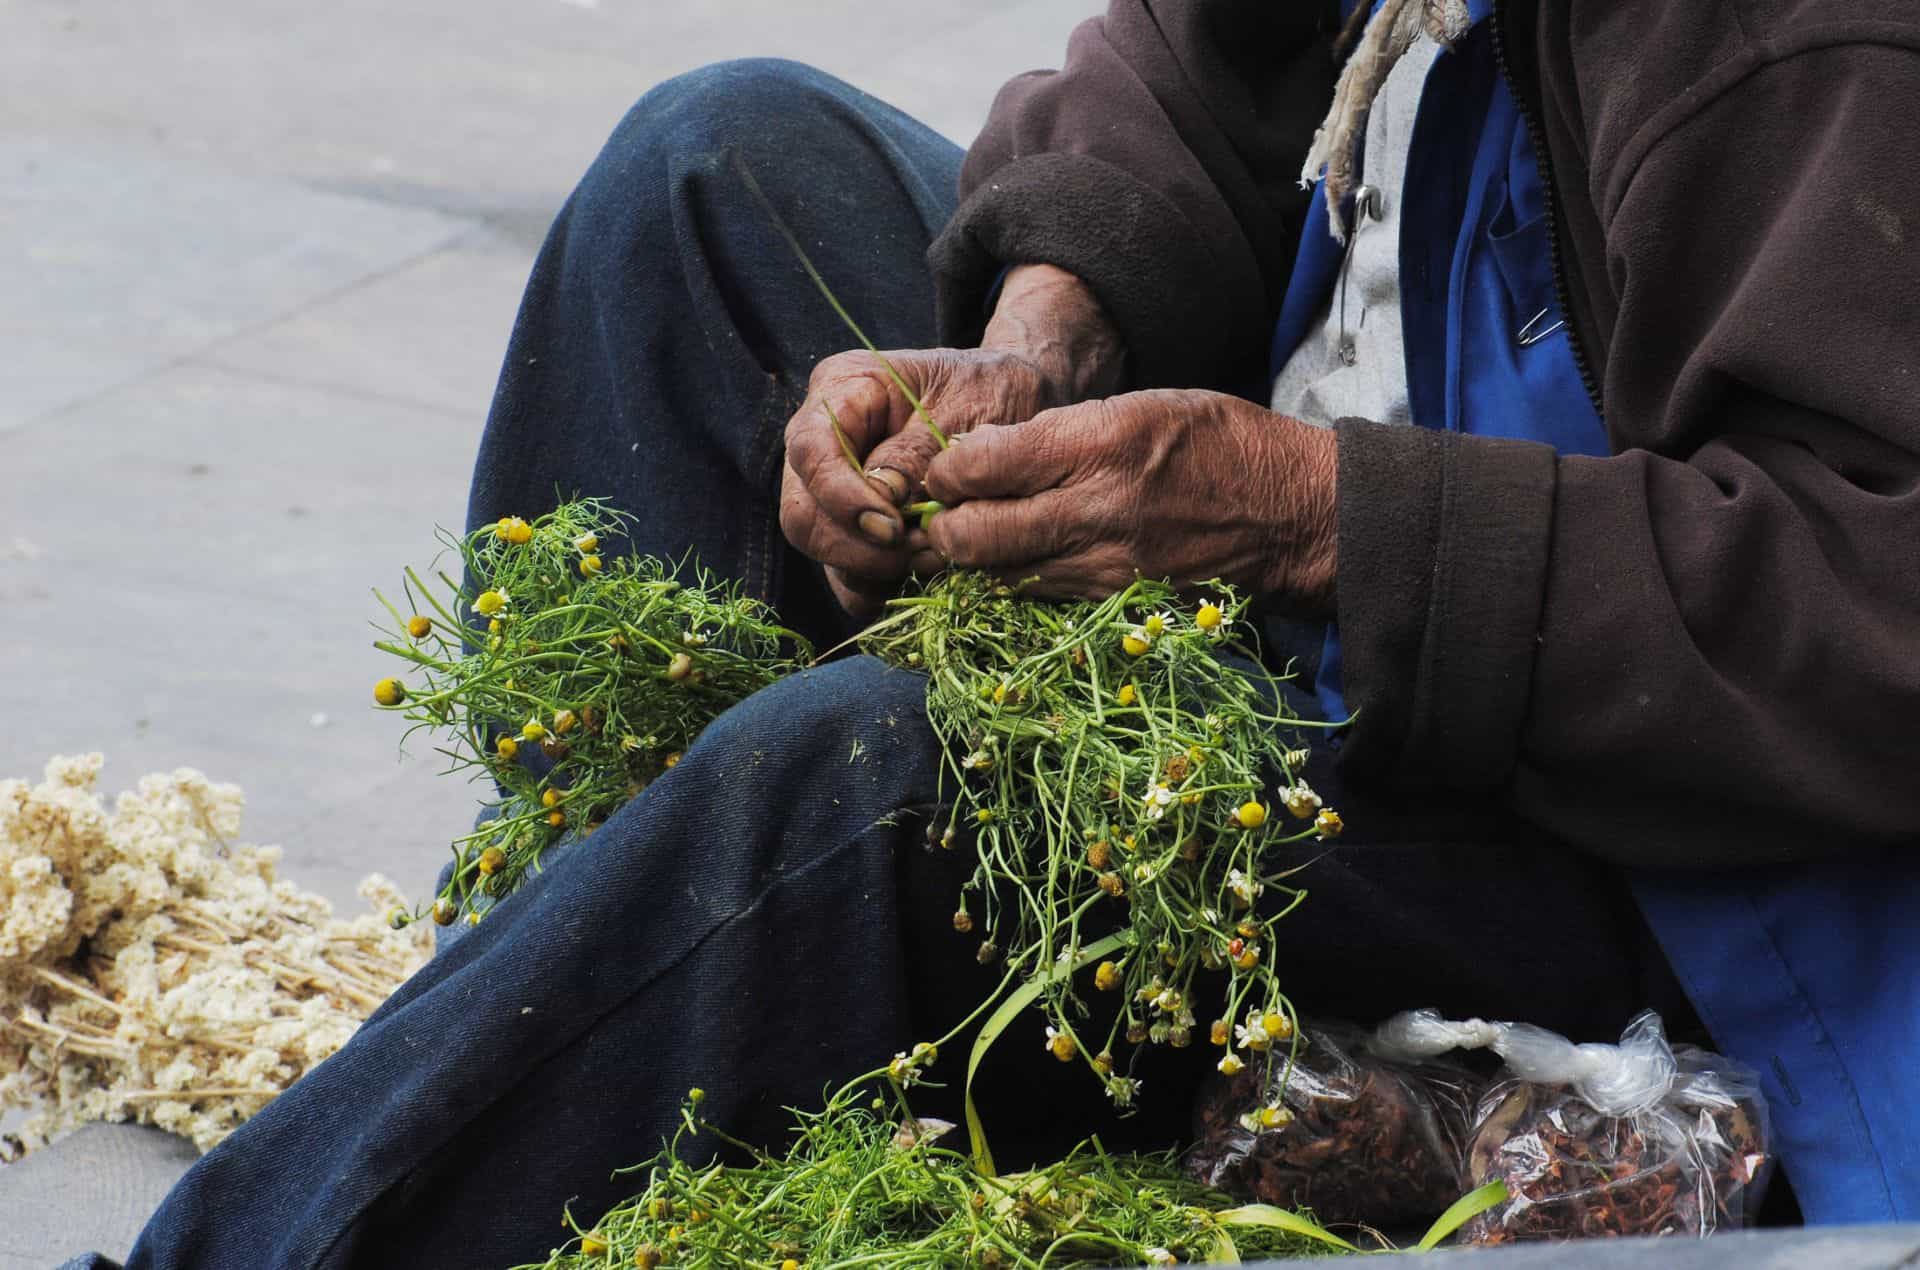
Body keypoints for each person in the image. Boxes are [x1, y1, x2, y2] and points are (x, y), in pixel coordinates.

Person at [69, 1, 1920, 1266]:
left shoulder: (1790, 46)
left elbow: (1873, 601)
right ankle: (563, 1058)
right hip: (1363, 553)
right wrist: (1047, 334)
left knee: (875, 776)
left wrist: (1307, 510)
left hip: (1659, 862)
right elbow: (1201, 69)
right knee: (711, 175)